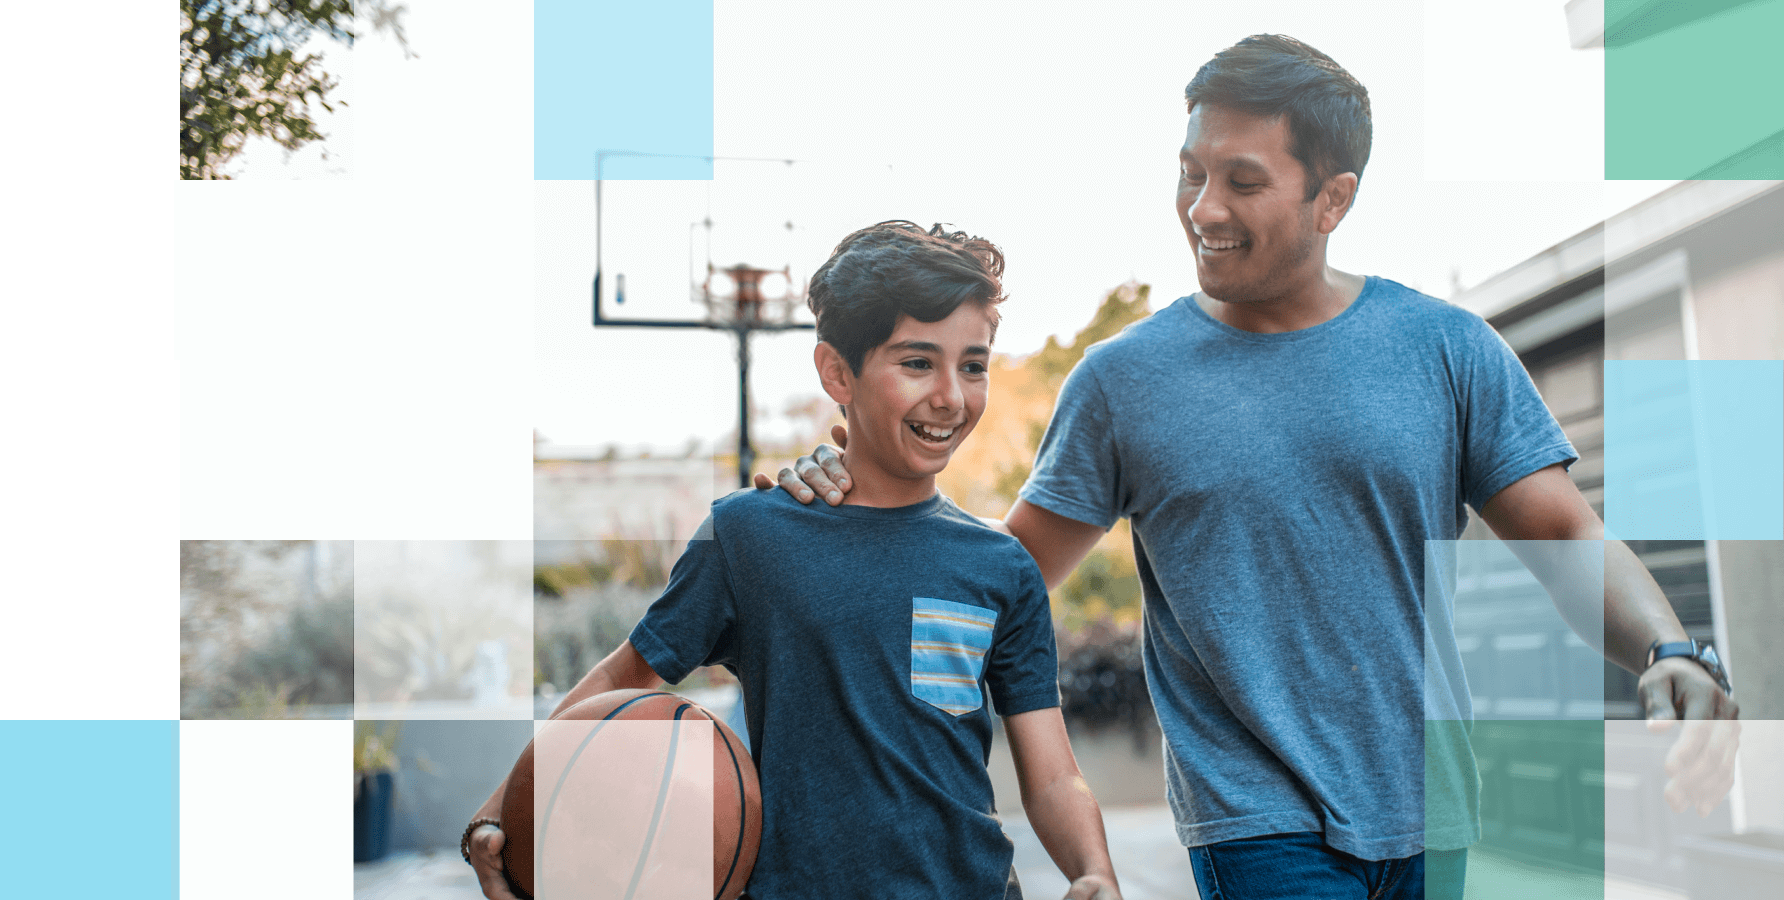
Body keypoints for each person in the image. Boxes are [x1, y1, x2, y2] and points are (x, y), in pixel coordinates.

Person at [763, 35, 1740, 900]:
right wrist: (845, 501)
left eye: (1239, 180)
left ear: (1332, 198)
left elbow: (1564, 533)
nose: (1200, 208)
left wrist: (1668, 649)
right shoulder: (1122, 381)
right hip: (1255, 824)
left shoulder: (1443, 349)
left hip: (1433, 807)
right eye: (1188, 173)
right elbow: (998, 577)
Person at [467, 221, 1123, 900]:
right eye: (918, 362)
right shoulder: (747, 535)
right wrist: (500, 808)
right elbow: (622, 679)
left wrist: (1094, 870)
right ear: (837, 371)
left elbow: (1050, 775)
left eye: (975, 365)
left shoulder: (1000, 566)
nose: (952, 397)